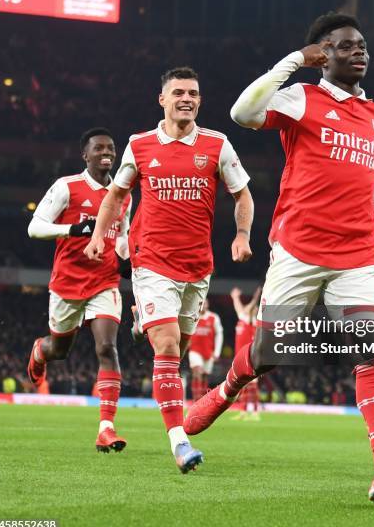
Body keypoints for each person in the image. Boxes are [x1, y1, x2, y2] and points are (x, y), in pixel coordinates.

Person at [184, 13, 374, 504]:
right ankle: (229, 386)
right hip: (299, 249)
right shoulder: (302, 98)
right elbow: (241, 112)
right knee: (267, 356)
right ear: (323, 53)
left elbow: (369, 177)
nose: (359, 52)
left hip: (357, 252)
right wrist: (295, 61)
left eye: (362, 46)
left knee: (370, 348)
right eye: (345, 46)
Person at [83, 67, 253, 474]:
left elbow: (242, 195)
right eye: (178, 92)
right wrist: (98, 237)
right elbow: (115, 195)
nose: (186, 98)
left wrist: (242, 235)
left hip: (197, 267)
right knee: (169, 346)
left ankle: (144, 315)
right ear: (162, 99)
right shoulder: (140, 145)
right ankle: (179, 442)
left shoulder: (217, 144)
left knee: (178, 351)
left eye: (193, 92)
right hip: (152, 261)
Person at [27, 127, 132, 453]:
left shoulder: (123, 193)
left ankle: (106, 428)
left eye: (111, 148)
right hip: (68, 283)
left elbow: (123, 234)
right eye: (99, 148)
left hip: (105, 280)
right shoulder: (67, 187)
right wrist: (74, 229)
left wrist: (132, 258)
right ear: (85, 155)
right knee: (60, 350)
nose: (107, 153)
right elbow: (35, 227)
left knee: (106, 348)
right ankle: (41, 350)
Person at [230, 286, 261, 421]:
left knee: (253, 385)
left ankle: (255, 412)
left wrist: (256, 296)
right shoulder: (242, 318)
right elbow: (239, 307)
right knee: (242, 385)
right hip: (240, 357)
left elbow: (250, 306)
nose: (247, 308)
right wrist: (235, 297)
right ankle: (243, 411)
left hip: (251, 357)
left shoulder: (251, 321)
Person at [188, 299, 224, 402]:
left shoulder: (214, 317)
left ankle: (202, 402)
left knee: (204, 376)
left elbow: (219, 335)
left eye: (205, 303)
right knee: (197, 372)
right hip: (194, 350)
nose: (203, 306)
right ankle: (196, 401)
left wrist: (217, 352)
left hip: (208, 352)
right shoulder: (193, 316)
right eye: (201, 304)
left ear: (208, 305)